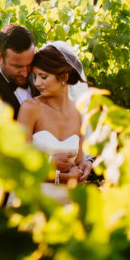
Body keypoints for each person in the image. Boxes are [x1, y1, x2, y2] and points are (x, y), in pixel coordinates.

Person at [18, 42, 95, 188]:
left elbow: (77, 166)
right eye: (34, 77)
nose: (37, 83)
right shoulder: (30, 108)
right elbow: (20, 165)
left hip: (68, 202)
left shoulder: (78, 112)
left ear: (64, 77)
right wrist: (57, 174)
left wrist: (84, 167)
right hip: (35, 199)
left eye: (43, 77)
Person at [0, 24, 36, 120]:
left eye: (29, 65)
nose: (25, 73)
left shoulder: (42, 74)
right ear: (0, 58)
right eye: (17, 66)